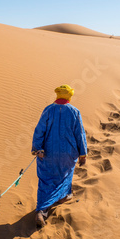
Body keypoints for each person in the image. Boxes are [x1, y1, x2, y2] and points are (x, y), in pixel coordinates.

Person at [31, 84, 87, 227]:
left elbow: (39, 131)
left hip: (48, 153)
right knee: (64, 175)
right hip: (68, 153)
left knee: (46, 179)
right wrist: (83, 154)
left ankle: (42, 209)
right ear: (69, 96)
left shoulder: (48, 110)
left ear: (57, 95)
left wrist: (38, 148)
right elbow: (79, 134)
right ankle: (61, 198)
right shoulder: (75, 112)